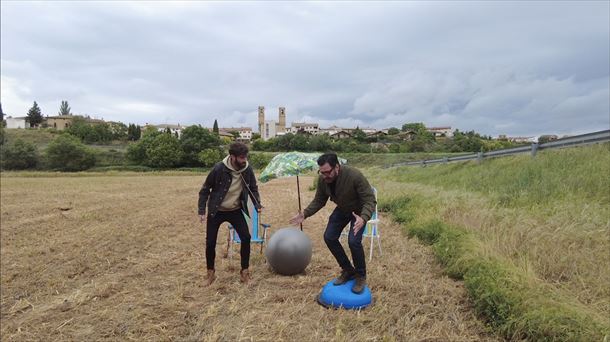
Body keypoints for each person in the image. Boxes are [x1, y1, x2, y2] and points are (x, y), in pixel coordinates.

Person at [290, 153, 376, 294]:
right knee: (329, 237)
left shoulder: (354, 175)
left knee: (353, 241)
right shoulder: (323, 179)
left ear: (337, 167)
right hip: (342, 209)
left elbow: (369, 199)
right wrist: (305, 213)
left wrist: (363, 217)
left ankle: (360, 276)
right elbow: (319, 200)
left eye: (327, 172)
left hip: (358, 211)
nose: (324, 176)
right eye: (321, 172)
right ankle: (348, 270)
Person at [198, 142, 262, 285]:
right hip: (217, 211)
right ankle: (210, 274)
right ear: (232, 157)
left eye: (245, 157)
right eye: (241, 157)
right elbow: (205, 189)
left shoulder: (247, 169)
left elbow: (253, 188)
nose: (244, 160)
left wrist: (257, 203)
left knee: (246, 238)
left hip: (235, 210)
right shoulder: (219, 169)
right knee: (210, 243)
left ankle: (244, 273)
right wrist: (202, 210)